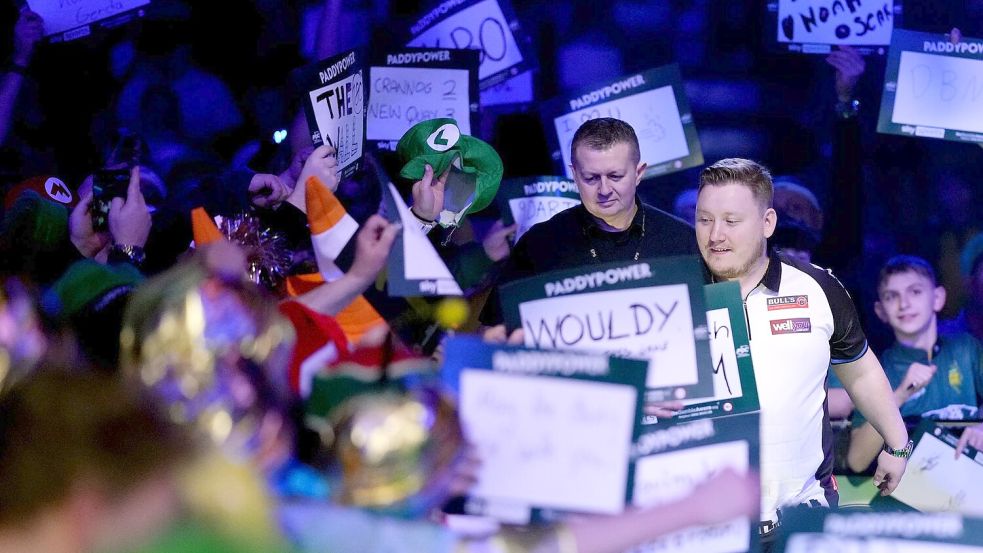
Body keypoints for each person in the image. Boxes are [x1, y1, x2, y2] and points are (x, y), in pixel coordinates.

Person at [694, 158, 909, 546]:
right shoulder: (676, 295)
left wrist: (897, 442)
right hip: (703, 527)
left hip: (802, 518)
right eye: (704, 219)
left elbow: (860, 371)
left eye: (731, 220)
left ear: (768, 223)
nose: (715, 235)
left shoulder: (818, 288)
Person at [479, 117, 698, 334]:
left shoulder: (682, 240)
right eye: (591, 178)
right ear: (574, 174)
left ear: (638, 173)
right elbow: (492, 330)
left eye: (615, 176)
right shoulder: (540, 243)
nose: (604, 190)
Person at [847, 256, 983, 471]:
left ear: (937, 298)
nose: (904, 304)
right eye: (891, 297)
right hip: (910, 495)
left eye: (915, 292)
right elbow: (856, 461)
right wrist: (899, 395)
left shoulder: (966, 349)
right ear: (880, 310)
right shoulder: (874, 371)